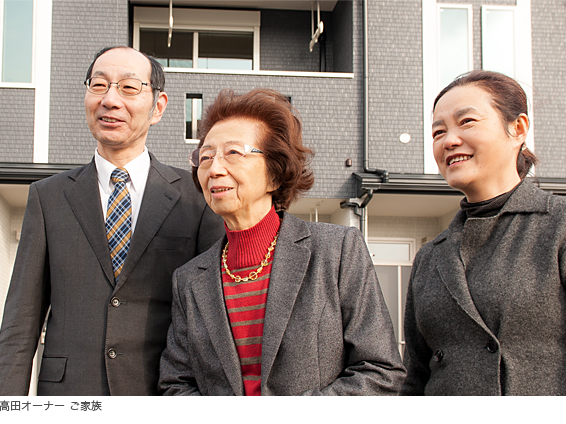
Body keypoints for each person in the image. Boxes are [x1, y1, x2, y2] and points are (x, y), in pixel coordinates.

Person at [0, 46, 224, 396]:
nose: (110, 100)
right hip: (69, 397)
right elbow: (20, 322)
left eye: (129, 88)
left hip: (160, 396)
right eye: (99, 85)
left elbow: (212, 316)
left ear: (158, 107)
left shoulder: (196, 197)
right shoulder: (48, 197)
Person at [158, 88, 406, 396]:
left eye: (234, 153)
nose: (214, 168)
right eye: (205, 157)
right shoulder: (189, 280)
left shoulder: (336, 251)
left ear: (275, 175)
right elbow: (176, 384)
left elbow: (380, 370)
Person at [401, 70, 566, 395]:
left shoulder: (558, 224)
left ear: (517, 129)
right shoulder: (430, 256)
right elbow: (414, 376)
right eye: (438, 131)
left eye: (467, 122)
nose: (449, 140)